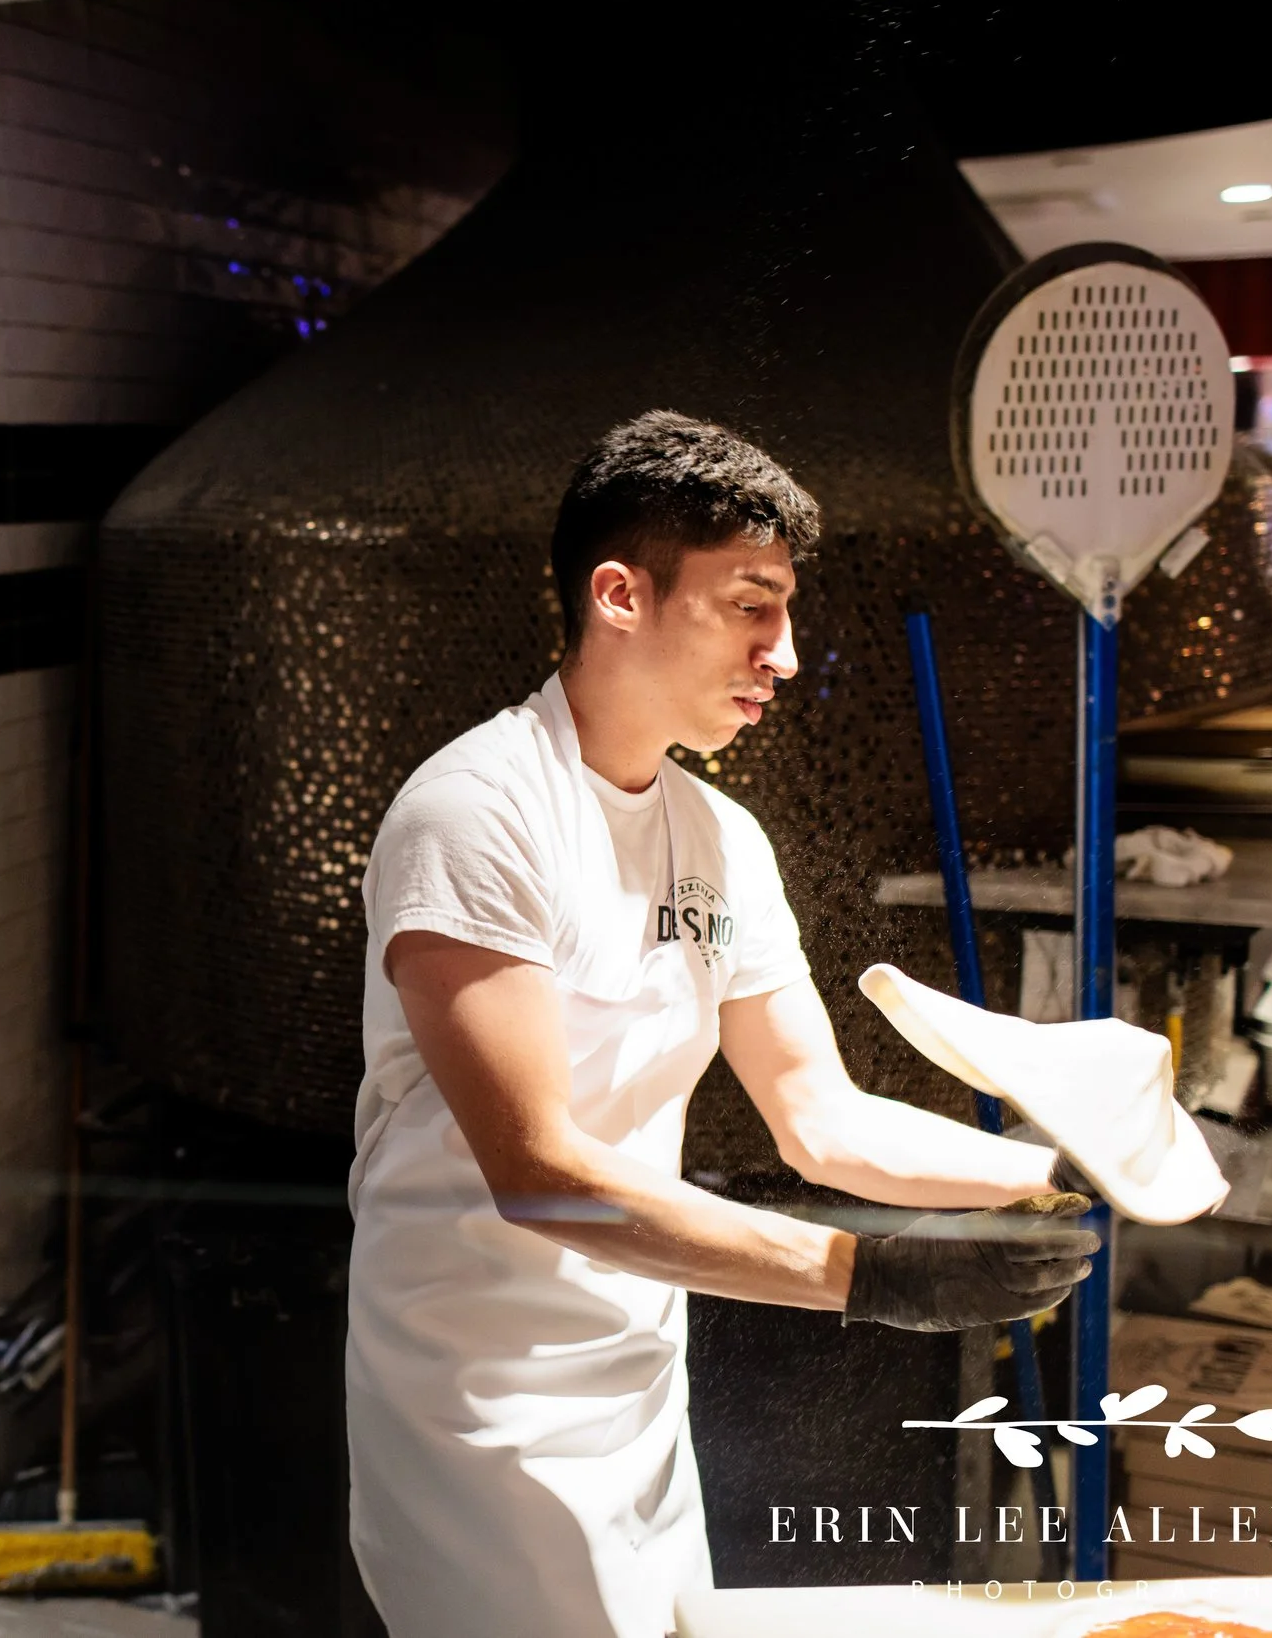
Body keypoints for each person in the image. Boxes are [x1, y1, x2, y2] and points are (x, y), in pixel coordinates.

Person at [346, 412, 1103, 1638]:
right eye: (752, 606)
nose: (786, 654)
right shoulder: (477, 813)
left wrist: (1063, 1172)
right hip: (475, 1403)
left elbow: (820, 1118)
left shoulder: (719, 837)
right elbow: (537, 1175)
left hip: (636, 1378)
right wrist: (872, 1275)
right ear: (619, 596)